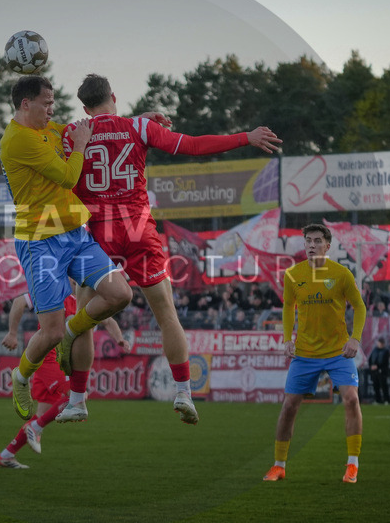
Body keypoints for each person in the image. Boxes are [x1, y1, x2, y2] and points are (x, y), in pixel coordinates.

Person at [71, 73, 282, 424]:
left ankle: (77, 399)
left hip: (99, 233)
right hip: (139, 229)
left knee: (84, 319)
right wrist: (246, 136)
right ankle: (184, 392)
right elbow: (195, 146)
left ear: (84, 106)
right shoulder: (139, 127)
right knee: (166, 313)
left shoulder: (73, 132)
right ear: (113, 95)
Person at [0, 75, 133, 423]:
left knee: (120, 294)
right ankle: (20, 377)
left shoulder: (48, 128)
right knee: (51, 331)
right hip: (39, 242)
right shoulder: (17, 141)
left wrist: (142, 118)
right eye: (47, 104)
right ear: (26, 104)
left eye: (53, 103)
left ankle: (74, 331)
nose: (52, 110)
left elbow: (89, 125)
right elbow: (68, 177)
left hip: (74, 234)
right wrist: (79, 148)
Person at [264, 223, 367, 484]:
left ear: (327, 246)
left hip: (338, 351)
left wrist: (355, 338)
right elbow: (288, 308)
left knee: (351, 399)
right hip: (305, 352)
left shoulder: (341, 274)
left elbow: (359, 307)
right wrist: (287, 339)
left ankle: (352, 464)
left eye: (317, 241)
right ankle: (278, 466)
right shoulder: (292, 275)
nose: (312, 245)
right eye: (308, 240)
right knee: (289, 406)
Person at [0, 291, 126, 468]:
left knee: (43, 414)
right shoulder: (58, 290)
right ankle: (36, 427)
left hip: (61, 359)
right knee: (76, 396)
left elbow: (109, 321)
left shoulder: (90, 298)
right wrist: (12, 333)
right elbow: (19, 301)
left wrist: (119, 339)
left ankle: (6, 455)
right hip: (47, 356)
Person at [368, 338, 390, 404]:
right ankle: (378, 399)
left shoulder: (386, 351)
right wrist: (371, 366)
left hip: (382, 371)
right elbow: (370, 359)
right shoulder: (374, 350)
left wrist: (377, 366)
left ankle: (386, 400)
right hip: (374, 372)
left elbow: (385, 362)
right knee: (376, 386)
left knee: (384, 386)